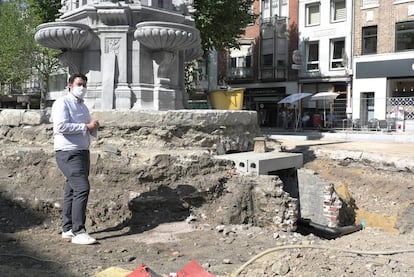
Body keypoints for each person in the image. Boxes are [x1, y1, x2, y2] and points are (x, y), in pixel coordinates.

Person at [51, 73, 100, 245]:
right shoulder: (62, 103)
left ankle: (68, 228)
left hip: (81, 152)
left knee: (71, 190)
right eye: (79, 84)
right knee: (82, 188)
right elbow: (61, 126)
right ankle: (79, 231)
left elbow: (86, 128)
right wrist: (86, 126)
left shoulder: (83, 106)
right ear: (70, 85)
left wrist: (93, 128)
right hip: (67, 152)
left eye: (84, 85)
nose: (82, 88)